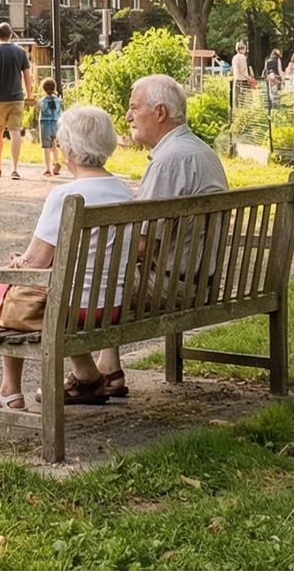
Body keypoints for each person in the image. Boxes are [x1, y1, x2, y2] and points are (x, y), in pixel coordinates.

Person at [0, 106, 135, 421]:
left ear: (70, 150)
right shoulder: (124, 191)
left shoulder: (67, 195)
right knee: (24, 290)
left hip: (70, 310)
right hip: (110, 306)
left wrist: (19, 262)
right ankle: (12, 390)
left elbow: (35, 264)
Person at [75, 73, 229, 400]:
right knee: (105, 272)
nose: (128, 116)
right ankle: (109, 368)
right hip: (203, 280)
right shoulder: (199, 151)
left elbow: (141, 245)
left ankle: (86, 378)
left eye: (134, 108)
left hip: (173, 287)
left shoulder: (169, 161)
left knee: (77, 280)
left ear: (160, 113)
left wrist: (83, 253)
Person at [0, 21, 34, 179]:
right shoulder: (20, 52)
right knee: (15, 132)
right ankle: (15, 168)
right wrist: (29, 95)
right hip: (17, 98)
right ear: (11, 35)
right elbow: (27, 76)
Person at [36, 78, 64, 177]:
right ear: (54, 88)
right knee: (54, 145)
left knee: (46, 147)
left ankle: (48, 169)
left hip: (45, 124)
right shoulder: (58, 100)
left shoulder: (41, 101)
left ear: (43, 89)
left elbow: (40, 110)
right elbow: (61, 113)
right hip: (55, 124)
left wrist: (37, 105)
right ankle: (56, 162)